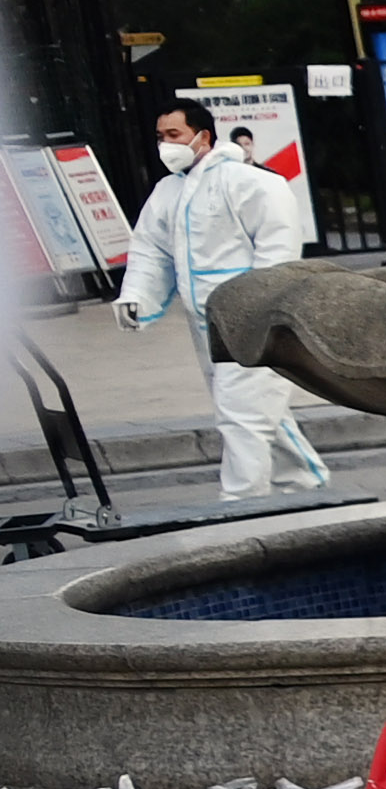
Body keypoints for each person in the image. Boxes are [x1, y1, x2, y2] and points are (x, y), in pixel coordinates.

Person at [114, 103, 323, 498]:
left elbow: (278, 248)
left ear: (203, 136)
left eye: (174, 135)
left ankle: (241, 500)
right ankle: (303, 481)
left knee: (241, 411)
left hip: (251, 320)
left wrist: (262, 305)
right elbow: (150, 251)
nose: (165, 145)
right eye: (160, 137)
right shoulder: (169, 191)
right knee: (255, 408)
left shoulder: (250, 182)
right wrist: (136, 296)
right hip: (206, 325)